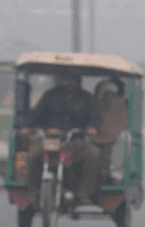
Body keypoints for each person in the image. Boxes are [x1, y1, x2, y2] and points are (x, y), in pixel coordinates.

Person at [24, 71, 101, 203]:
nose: (69, 83)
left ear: (78, 81)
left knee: (93, 155)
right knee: (32, 154)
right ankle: (33, 192)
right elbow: (36, 115)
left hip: (75, 140)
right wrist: (28, 127)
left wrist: (92, 128)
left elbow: (94, 118)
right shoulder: (50, 96)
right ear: (61, 80)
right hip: (52, 139)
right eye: (66, 79)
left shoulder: (87, 98)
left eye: (72, 80)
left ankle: (84, 192)